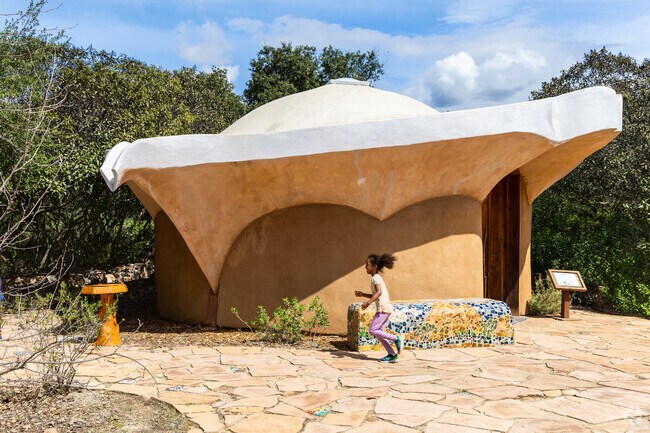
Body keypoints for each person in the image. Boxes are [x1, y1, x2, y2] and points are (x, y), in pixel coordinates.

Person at [355, 253, 404, 363]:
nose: (365, 267)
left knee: (373, 330)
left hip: (383, 309)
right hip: (385, 308)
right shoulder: (375, 278)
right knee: (379, 333)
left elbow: (379, 292)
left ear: (374, 266)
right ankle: (392, 355)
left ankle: (397, 339)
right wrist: (363, 294)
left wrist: (368, 303)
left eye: (367, 264)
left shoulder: (376, 278)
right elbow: (376, 294)